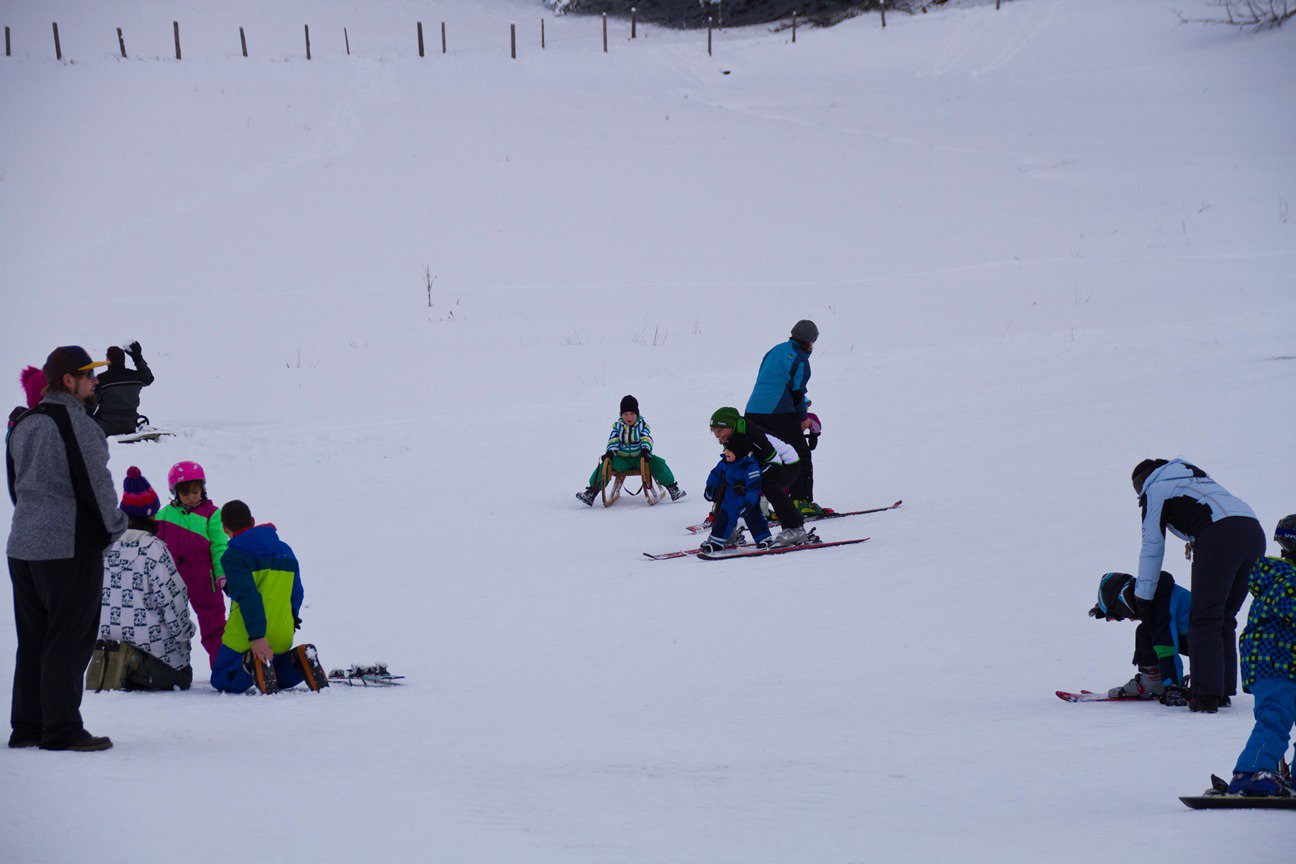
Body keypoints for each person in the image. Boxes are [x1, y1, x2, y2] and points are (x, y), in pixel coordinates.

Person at [6, 346, 125, 751]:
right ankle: (61, 729)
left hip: (23, 547)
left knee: (34, 639)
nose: (95, 381)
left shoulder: (24, 422)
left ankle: (28, 727)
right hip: (68, 548)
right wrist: (115, 527)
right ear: (69, 381)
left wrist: (34, 524)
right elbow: (99, 486)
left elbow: (16, 486)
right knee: (69, 639)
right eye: (89, 375)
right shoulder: (78, 423)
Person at [1130, 458, 1265, 713]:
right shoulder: (1197, 479)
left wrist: (1144, 598)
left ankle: (1205, 696)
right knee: (1224, 616)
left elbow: (1152, 546)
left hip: (1218, 534)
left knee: (1204, 618)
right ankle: (1221, 691)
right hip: (1253, 532)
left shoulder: (1155, 489)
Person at [88, 467, 197, 692]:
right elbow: (172, 599)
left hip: (104, 636)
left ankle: (110, 658)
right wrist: (186, 633)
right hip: (150, 645)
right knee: (182, 677)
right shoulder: (153, 549)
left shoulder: (103, 547)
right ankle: (133, 660)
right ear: (150, 515)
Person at [210, 500, 327, 694]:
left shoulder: (233, 555)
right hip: (282, 632)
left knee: (220, 678)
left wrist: (257, 636)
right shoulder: (285, 550)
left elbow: (248, 596)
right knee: (275, 676)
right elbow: (296, 592)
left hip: (247, 635)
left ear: (224, 528)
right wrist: (290, 619)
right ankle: (300, 658)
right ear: (252, 521)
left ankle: (250, 662)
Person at [1226, 515, 1296, 797]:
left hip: (1282, 662)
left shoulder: (1282, 578)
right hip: (1275, 662)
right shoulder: (1288, 579)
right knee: (1275, 716)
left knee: (1277, 715)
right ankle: (1251, 773)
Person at [745, 320, 825, 517]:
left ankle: (757, 505)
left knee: (762, 456)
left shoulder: (774, 350)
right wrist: (803, 418)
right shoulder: (800, 359)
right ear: (810, 341)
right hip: (778, 413)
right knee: (800, 454)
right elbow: (797, 393)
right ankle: (800, 501)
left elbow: (771, 382)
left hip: (752, 410)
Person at [155, 461, 227, 669]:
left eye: (195, 492)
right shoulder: (164, 515)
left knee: (213, 623)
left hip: (204, 579)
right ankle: (172, 668)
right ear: (175, 493)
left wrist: (221, 573)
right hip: (173, 580)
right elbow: (154, 545)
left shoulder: (212, 514)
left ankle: (221, 667)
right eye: (185, 493)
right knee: (170, 623)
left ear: (203, 489)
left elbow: (219, 546)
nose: (191, 497)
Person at [1088, 571, 1191, 703]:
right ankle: (1155, 679)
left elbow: (1168, 649)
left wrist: (1173, 686)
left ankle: (1154, 681)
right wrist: (1106, 608)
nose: (1129, 619)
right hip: (1201, 640)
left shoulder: (1162, 609)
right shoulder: (1159, 595)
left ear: (1124, 603)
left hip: (1208, 646)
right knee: (1146, 630)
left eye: (1122, 615)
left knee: (1149, 634)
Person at [707, 407, 805, 546]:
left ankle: (795, 529)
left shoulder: (753, 433)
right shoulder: (733, 435)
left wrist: (749, 481)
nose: (717, 435)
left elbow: (775, 462)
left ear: (731, 426)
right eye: (714, 431)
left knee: (769, 485)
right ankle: (726, 532)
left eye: (719, 430)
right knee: (729, 482)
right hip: (762, 465)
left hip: (787, 464)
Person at [575, 395, 685, 506]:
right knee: (605, 465)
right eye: (625, 414)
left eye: (632, 414)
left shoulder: (642, 426)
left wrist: (646, 450)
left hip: (640, 458)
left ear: (637, 414)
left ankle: (673, 488)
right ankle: (591, 492)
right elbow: (614, 440)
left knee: (657, 463)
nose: (629, 417)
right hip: (622, 460)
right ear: (621, 415)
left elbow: (646, 438)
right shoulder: (618, 427)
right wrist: (610, 452)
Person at [699, 435, 774, 553]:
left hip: (746, 498)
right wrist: (710, 487)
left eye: (730, 450)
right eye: (726, 449)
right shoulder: (725, 463)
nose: (726, 452)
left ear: (739, 452)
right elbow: (715, 474)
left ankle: (764, 539)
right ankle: (717, 541)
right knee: (724, 517)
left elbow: (754, 488)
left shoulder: (750, 466)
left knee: (753, 517)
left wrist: (749, 502)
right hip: (730, 498)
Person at [91, 342, 155, 436]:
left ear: (108, 360)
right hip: (130, 425)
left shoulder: (101, 379)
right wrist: (137, 357)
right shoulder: (135, 377)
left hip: (106, 427)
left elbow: (90, 405)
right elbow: (149, 378)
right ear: (123, 360)